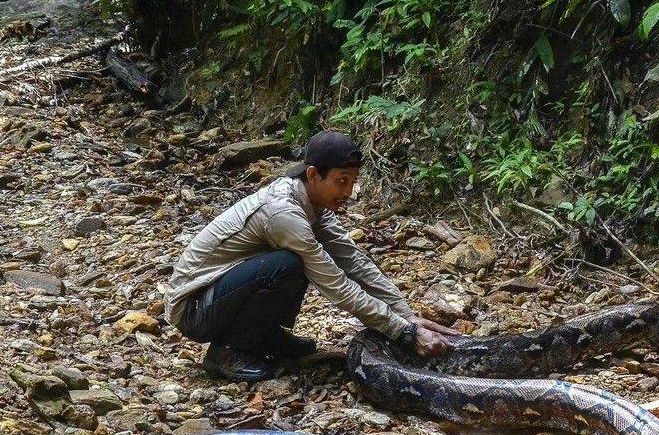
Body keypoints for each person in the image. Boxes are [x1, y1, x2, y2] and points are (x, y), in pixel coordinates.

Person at [164, 129, 456, 381]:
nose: (349, 191)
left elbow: (354, 262)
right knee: (287, 264)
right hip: (193, 308)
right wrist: (403, 332)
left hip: (220, 295)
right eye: (342, 181)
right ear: (314, 175)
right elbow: (337, 286)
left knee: (292, 263)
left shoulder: (315, 206)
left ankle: (264, 336)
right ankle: (228, 352)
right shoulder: (283, 214)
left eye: (353, 182)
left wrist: (407, 316)